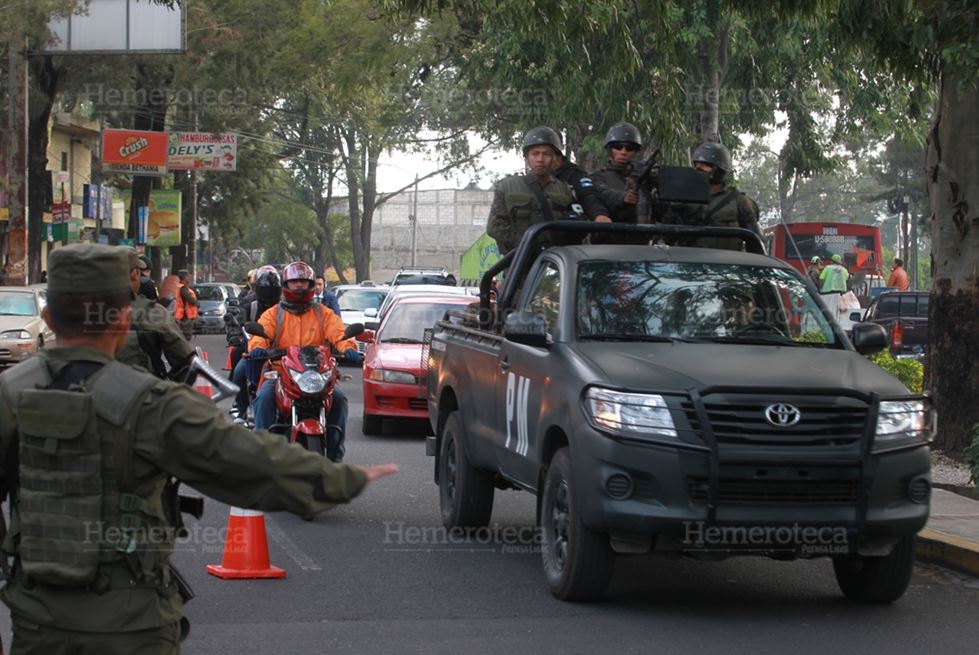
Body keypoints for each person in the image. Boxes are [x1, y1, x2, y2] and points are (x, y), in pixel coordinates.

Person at [0, 244, 397, 654]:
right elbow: (246, 465)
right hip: (134, 628)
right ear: (122, 319)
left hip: (37, 628)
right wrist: (343, 479)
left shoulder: (9, 393)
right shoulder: (153, 403)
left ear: (48, 318)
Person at [248, 261, 362, 462]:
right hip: (281, 374)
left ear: (311, 285)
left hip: (317, 376)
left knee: (340, 400)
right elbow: (261, 333)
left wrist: (349, 348)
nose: (299, 286)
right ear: (286, 285)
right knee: (264, 398)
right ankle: (262, 456)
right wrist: (257, 347)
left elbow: (340, 333)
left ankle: (335, 458)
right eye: (294, 282)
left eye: (303, 281)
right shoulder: (274, 313)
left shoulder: (323, 313)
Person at [486, 126, 575, 255]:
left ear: (555, 158)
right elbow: (495, 227)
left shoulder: (565, 190)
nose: (540, 159)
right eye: (535, 153)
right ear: (527, 158)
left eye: (546, 154)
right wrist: (526, 244)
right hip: (519, 262)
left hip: (556, 262)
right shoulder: (506, 187)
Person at [117, 249, 195, 380]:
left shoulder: (82, 312)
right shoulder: (153, 313)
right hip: (142, 393)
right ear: (136, 274)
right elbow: (187, 363)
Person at [227, 265, 282, 423]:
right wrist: (235, 336)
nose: (269, 292)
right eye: (265, 288)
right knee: (238, 372)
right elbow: (238, 324)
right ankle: (241, 407)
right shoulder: (250, 307)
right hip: (255, 352)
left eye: (272, 289)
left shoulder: (286, 309)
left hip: (283, 354)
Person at [687, 142, 762, 250]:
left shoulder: (739, 202)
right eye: (695, 165)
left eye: (703, 165)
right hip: (689, 263)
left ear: (718, 169)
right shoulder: (684, 199)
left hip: (726, 264)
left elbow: (756, 243)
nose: (697, 169)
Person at [173, 269, 199, 340]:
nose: (189, 278)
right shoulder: (183, 288)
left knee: (185, 335)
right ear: (184, 277)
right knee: (186, 336)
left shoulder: (183, 287)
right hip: (185, 315)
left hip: (184, 315)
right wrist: (197, 303)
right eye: (188, 276)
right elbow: (189, 299)